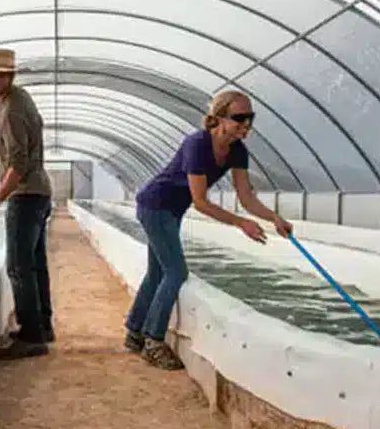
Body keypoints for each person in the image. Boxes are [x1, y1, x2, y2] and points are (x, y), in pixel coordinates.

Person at [124, 90, 293, 370]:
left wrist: (274, 218)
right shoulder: (198, 144)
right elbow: (201, 202)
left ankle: (134, 332)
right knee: (176, 272)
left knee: (158, 273)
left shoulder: (238, 151)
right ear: (219, 118)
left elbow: (246, 197)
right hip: (154, 205)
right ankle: (153, 341)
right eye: (239, 118)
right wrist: (240, 223)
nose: (246, 124)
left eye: (250, 117)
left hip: (172, 210)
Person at [0, 48, 54, 360]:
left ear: (10, 76)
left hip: (26, 194)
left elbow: (18, 164)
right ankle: (42, 327)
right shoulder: (18, 98)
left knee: (18, 267)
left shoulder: (12, 110)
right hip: (39, 194)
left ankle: (32, 337)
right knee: (35, 264)